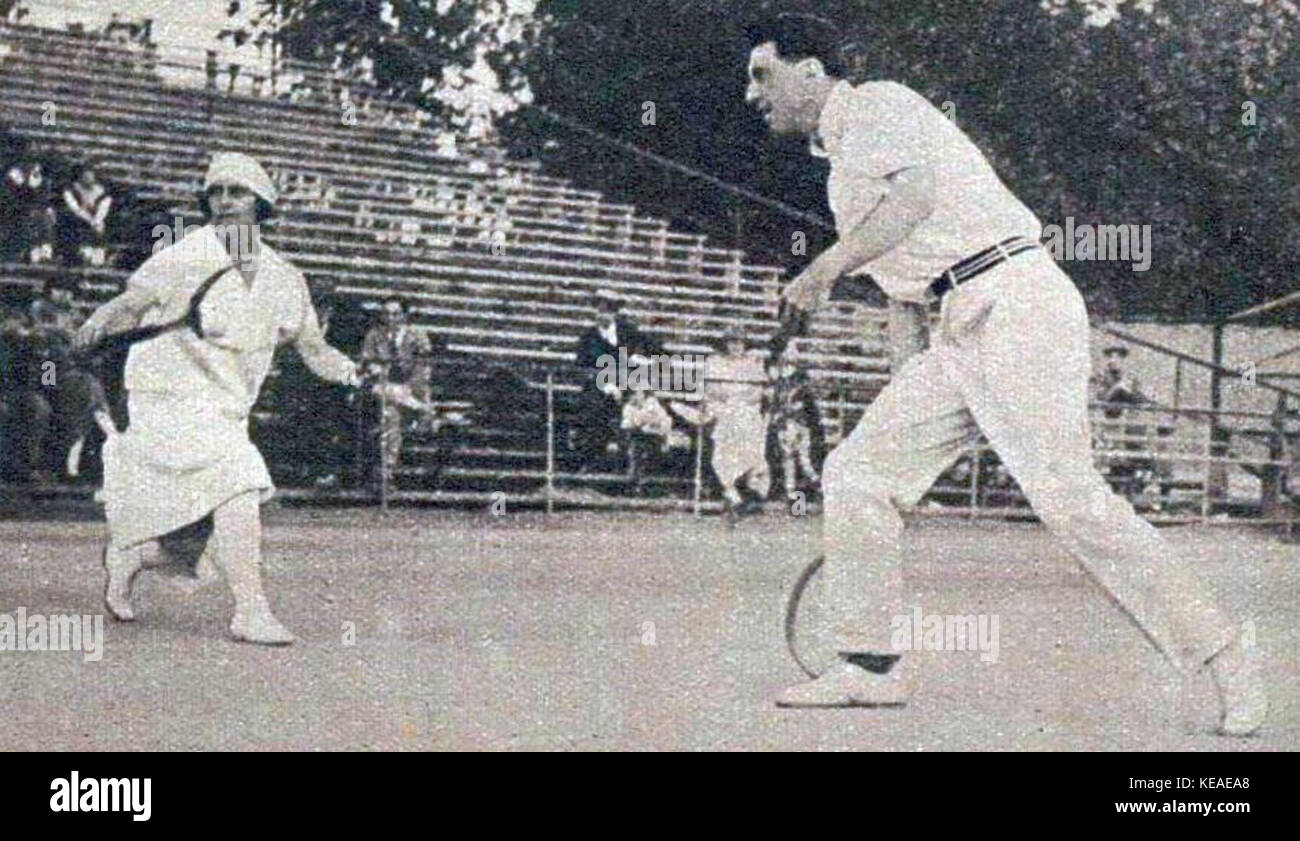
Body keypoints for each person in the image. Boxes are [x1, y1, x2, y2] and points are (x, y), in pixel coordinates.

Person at [746, 25, 1265, 735]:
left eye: (761, 75)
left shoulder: (877, 105)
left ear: (810, 72)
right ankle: (870, 668)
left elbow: (917, 199)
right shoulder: (841, 176)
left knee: (1071, 500)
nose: (753, 94)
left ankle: (1226, 653)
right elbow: (907, 294)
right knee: (860, 471)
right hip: (955, 323)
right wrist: (909, 420)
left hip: (1016, 297)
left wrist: (823, 269)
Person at [74, 152, 360, 645]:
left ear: (261, 204)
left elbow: (311, 345)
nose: (225, 201)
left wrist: (352, 372)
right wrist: (95, 324)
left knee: (196, 539)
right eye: (217, 192)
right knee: (240, 485)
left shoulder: (284, 278)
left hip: (226, 407)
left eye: (238, 192)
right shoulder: (185, 254)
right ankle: (251, 611)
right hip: (168, 395)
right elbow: (132, 304)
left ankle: (134, 556)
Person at [571, 289, 663, 471]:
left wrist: (642, 360)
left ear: (615, 312)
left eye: (608, 310)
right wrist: (606, 386)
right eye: (600, 309)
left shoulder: (629, 331)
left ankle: (639, 466)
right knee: (594, 409)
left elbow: (657, 351)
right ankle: (593, 461)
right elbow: (581, 368)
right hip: (599, 390)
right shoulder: (587, 338)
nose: (603, 314)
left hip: (630, 386)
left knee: (646, 408)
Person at [360, 298, 439, 489]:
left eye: (395, 314)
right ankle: (423, 411)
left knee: (391, 414)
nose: (390, 318)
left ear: (404, 316)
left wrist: (411, 390)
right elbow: (367, 361)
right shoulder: (374, 336)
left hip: (410, 390)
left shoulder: (418, 336)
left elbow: (423, 369)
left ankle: (386, 473)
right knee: (386, 402)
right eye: (386, 313)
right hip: (382, 388)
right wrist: (374, 369)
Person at [704, 323, 771, 521]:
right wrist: (734, 396)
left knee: (751, 425)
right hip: (722, 408)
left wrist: (739, 396)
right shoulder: (715, 362)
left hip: (746, 409)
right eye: (731, 342)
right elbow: (712, 390)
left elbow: (757, 392)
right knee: (728, 429)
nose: (735, 346)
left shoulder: (752, 362)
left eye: (739, 342)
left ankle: (753, 487)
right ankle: (730, 489)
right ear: (725, 344)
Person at [58, 158, 114, 267]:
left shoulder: (102, 192)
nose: (88, 178)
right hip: (77, 220)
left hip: (96, 222)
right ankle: (83, 254)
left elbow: (104, 208)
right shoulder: (71, 190)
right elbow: (74, 208)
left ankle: (99, 256)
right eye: (85, 175)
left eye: (90, 175)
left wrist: (97, 221)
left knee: (101, 227)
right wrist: (89, 219)